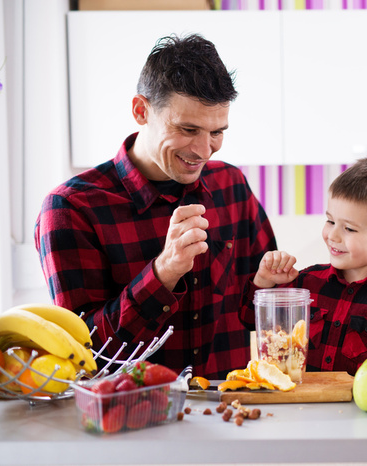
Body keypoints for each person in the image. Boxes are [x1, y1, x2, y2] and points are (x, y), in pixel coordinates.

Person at [34, 34, 277, 379]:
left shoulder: (231, 185)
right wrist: (164, 272)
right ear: (141, 111)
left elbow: (258, 309)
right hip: (130, 420)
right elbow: (84, 352)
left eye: (217, 132)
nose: (205, 150)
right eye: (188, 129)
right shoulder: (70, 208)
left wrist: (272, 287)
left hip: (227, 413)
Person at [240, 154, 367, 376]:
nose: (332, 236)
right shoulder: (305, 283)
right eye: (330, 221)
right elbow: (250, 320)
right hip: (302, 407)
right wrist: (264, 281)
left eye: (349, 229)